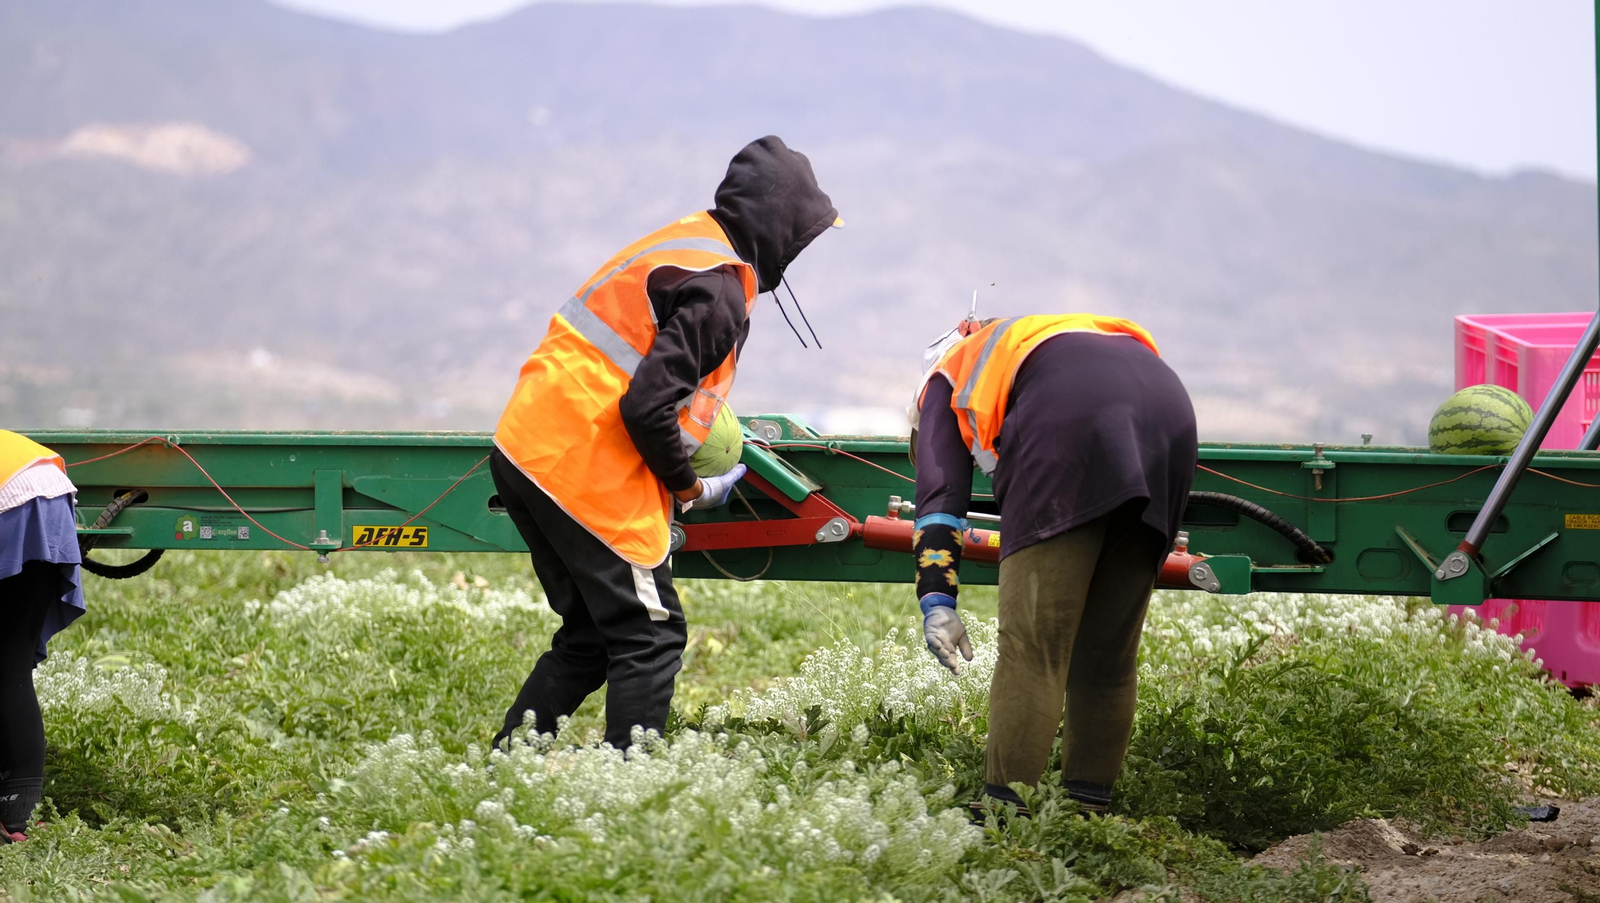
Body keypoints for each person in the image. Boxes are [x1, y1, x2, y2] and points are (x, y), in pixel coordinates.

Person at [491, 136, 839, 750]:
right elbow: (646, 405)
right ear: (778, 225)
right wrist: (691, 486)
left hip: (525, 447)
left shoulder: (686, 241)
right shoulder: (721, 290)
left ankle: (509, 763)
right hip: (585, 466)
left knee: (592, 635)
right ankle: (629, 788)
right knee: (651, 637)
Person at [907, 312, 1197, 816]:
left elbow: (940, 499)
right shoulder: (1035, 340)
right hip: (1168, 407)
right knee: (1108, 657)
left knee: (1034, 647)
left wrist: (936, 598)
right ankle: (1087, 812)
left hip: (1066, 422)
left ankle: (1005, 814)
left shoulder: (945, 377)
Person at [0, 430, 87, 843]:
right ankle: (17, 811)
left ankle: (13, 812)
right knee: (10, 665)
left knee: (7, 667)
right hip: (47, 486)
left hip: (11, 501)